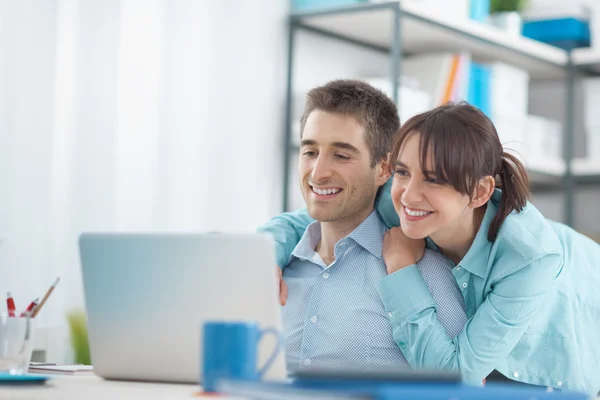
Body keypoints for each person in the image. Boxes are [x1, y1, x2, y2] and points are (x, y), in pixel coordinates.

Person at [260, 102, 600, 395]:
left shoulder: (528, 259)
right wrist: (264, 258)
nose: (408, 194)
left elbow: (455, 378)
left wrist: (402, 271)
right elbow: (307, 219)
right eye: (403, 172)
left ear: (480, 192)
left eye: (434, 179)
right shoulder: (401, 203)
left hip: (562, 333)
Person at [270, 79, 468, 373]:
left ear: (383, 170)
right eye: (310, 152)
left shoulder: (427, 275)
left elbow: (459, 388)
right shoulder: (271, 271)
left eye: (341, 155)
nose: (318, 173)